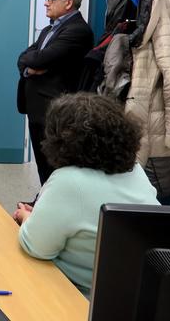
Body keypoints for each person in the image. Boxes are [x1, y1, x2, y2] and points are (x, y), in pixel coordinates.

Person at [14, 92, 159, 294]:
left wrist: (26, 217)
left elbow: (36, 246)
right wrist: (43, 215)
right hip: (134, 294)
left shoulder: (68, 181)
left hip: (82, 297)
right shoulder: (136, 171)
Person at [17, 0, 94, 186]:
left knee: (56, 166)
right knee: (43, 164)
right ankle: (43, 198)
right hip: (37, 109)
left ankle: (52, 200)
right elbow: (23, 58)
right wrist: (31, 67)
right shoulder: (48, 30)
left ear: (68, 3)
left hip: (56, 110)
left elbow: (39, 59)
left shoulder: (78, 30)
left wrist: (36, 63)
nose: (45, 3)